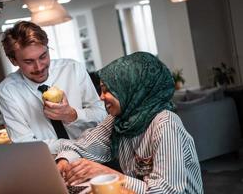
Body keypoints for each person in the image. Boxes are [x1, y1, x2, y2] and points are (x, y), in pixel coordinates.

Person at [56, 52, 203, 193]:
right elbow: (82, 146)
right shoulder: (119, 120)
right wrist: (64, 160)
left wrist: (108, 173)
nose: (101, 97)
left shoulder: (165, 124)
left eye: (108, 90)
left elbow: (165, 190)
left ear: (131, 89)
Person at [0, 21, 107, 153]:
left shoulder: (73, 69)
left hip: (94, 155)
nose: (39, 67)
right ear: (13, 60)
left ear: (48, 48)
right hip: (49, 162)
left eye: (43, 56)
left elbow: (102, 115)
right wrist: (75, 146)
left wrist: (72, 115)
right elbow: (24, 144)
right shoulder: (8, 91)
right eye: (29, 61)